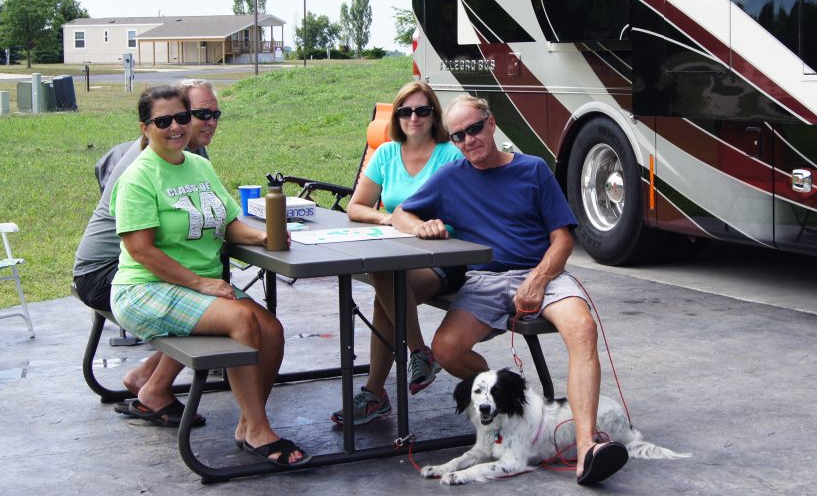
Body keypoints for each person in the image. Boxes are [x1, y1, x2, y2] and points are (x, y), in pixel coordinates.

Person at [392, 95, 630, 485]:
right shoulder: (452, 176)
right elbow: (401, 212)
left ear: (491, 123)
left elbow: (563, 241)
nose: (467, 141)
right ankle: (507, 401)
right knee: (446, 349)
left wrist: (537, 279)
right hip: (485, 280)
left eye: (473, 129)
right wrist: (419, 226)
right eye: (457, 136)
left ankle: (588, 448)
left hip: (543, 272)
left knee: (583, 329)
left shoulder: (533, 169)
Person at [110, 85, 308, 466]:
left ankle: (249, 423)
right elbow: (141, 250)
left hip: (201, 289)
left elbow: (229, 222)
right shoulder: (139, 177)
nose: (175, 127)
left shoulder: (199, 165)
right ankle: (259, 430)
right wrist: (201, 283)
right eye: (163, 121)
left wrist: (262, 236)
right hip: (145, 289)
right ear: (145, 127)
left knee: (272, 331)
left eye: (182, 117)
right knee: (243, 319)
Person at [73, 79, 222, 423]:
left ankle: (147, 377)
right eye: (199, 114)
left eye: (215, 113)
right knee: (207, 294)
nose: (209, 121)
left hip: (118, 265)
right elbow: (145, 249)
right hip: (105, 273)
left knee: (209, 281)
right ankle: (155, 388)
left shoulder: (189, 154)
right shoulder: (147, 163)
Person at [333, 81, 464, 425]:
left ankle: (377, 392)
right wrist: (389, 218)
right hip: (398, 250)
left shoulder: (450, 155)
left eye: (422, 110)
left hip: (445, 255)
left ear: (434, 115)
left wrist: (436, 226)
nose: (414, 118)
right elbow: (356, 207)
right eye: (405, 111)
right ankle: (418, 353)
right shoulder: (387, 153)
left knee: (384, 284)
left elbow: (464, 212)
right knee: (387, 285)